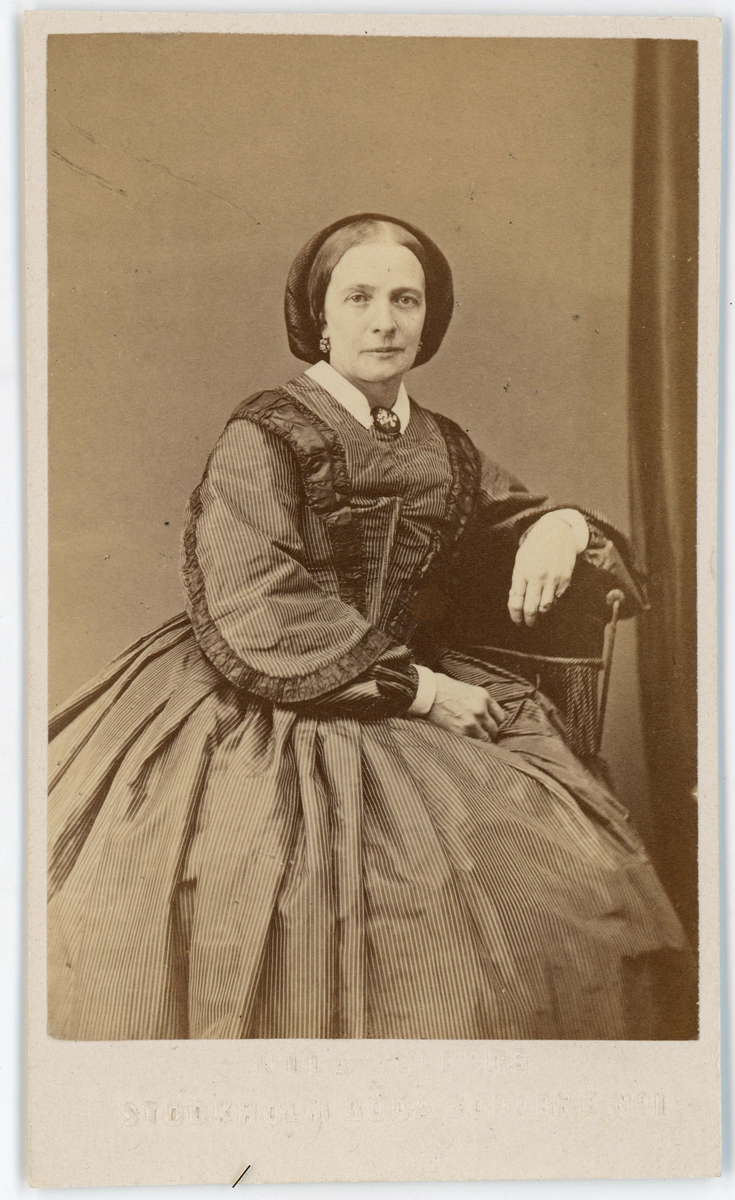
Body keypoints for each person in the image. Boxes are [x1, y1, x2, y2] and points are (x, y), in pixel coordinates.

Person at [48, 213, 689, 1042]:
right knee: (260, 890)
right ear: (319, 315)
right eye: (359, 298)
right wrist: (420, 690)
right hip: (263, 691)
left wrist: (559, 527)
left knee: (555, 884)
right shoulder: (266, 432)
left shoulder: (442, 445)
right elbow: (255, 593)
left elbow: (513, 515)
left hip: (410, 688)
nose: (384, 321)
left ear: (429, 316)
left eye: (404, 300)